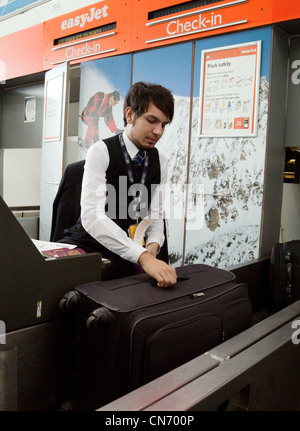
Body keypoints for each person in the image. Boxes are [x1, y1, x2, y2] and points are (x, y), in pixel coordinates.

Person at [59, 82, 177, 288]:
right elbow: (91, 217)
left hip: (131, 249)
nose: (158, 131)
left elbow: (155, 214)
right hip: (92, 245)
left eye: (164, 125)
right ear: (130, 115)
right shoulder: (101, 151)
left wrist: (153, 245)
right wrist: (142, 256)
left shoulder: (161, 161)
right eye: (152, 121)